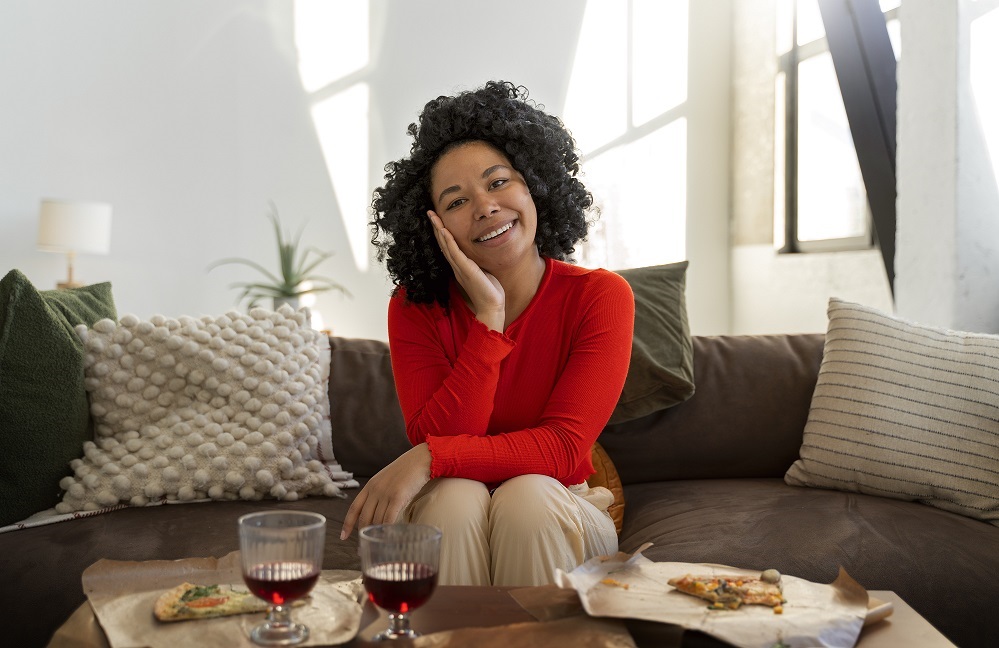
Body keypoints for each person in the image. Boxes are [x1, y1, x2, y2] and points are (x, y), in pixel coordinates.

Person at [340, 80, 635, 587]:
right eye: (456, 202)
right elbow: (446, 434)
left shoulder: (601, 296)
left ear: (534, 185)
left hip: (561, 503)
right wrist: (488, 319)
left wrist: (433, 456)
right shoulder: (415, 308)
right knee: (455, 496)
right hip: (451, 504)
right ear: (435, 228)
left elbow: (565, 450)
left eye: (499, 182)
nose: (484, 206)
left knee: (526, 496)